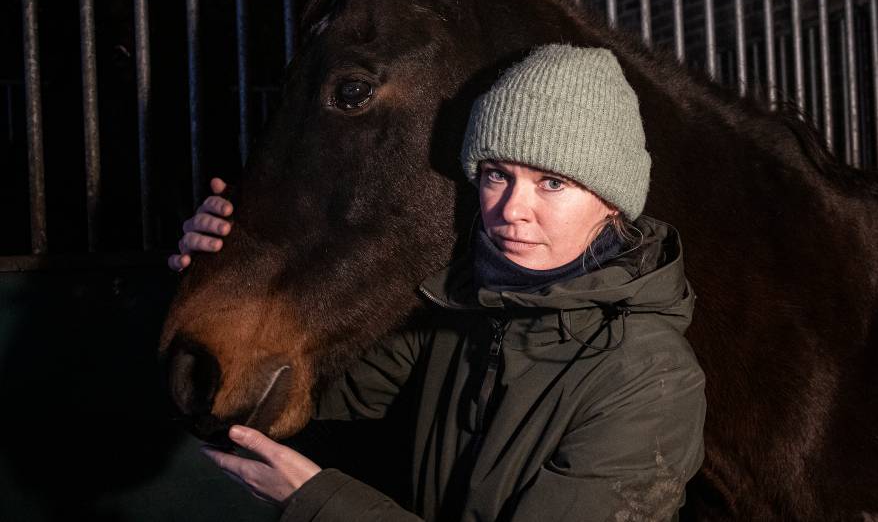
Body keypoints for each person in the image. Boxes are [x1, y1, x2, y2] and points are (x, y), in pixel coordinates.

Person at [171, 45, 707, 521]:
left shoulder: (649, 378)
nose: (511, 209)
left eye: (553, 181)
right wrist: (217, 272)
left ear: (613, 201)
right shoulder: (470, 306)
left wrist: (315, 502)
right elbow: (320, 384)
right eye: (497, 174)